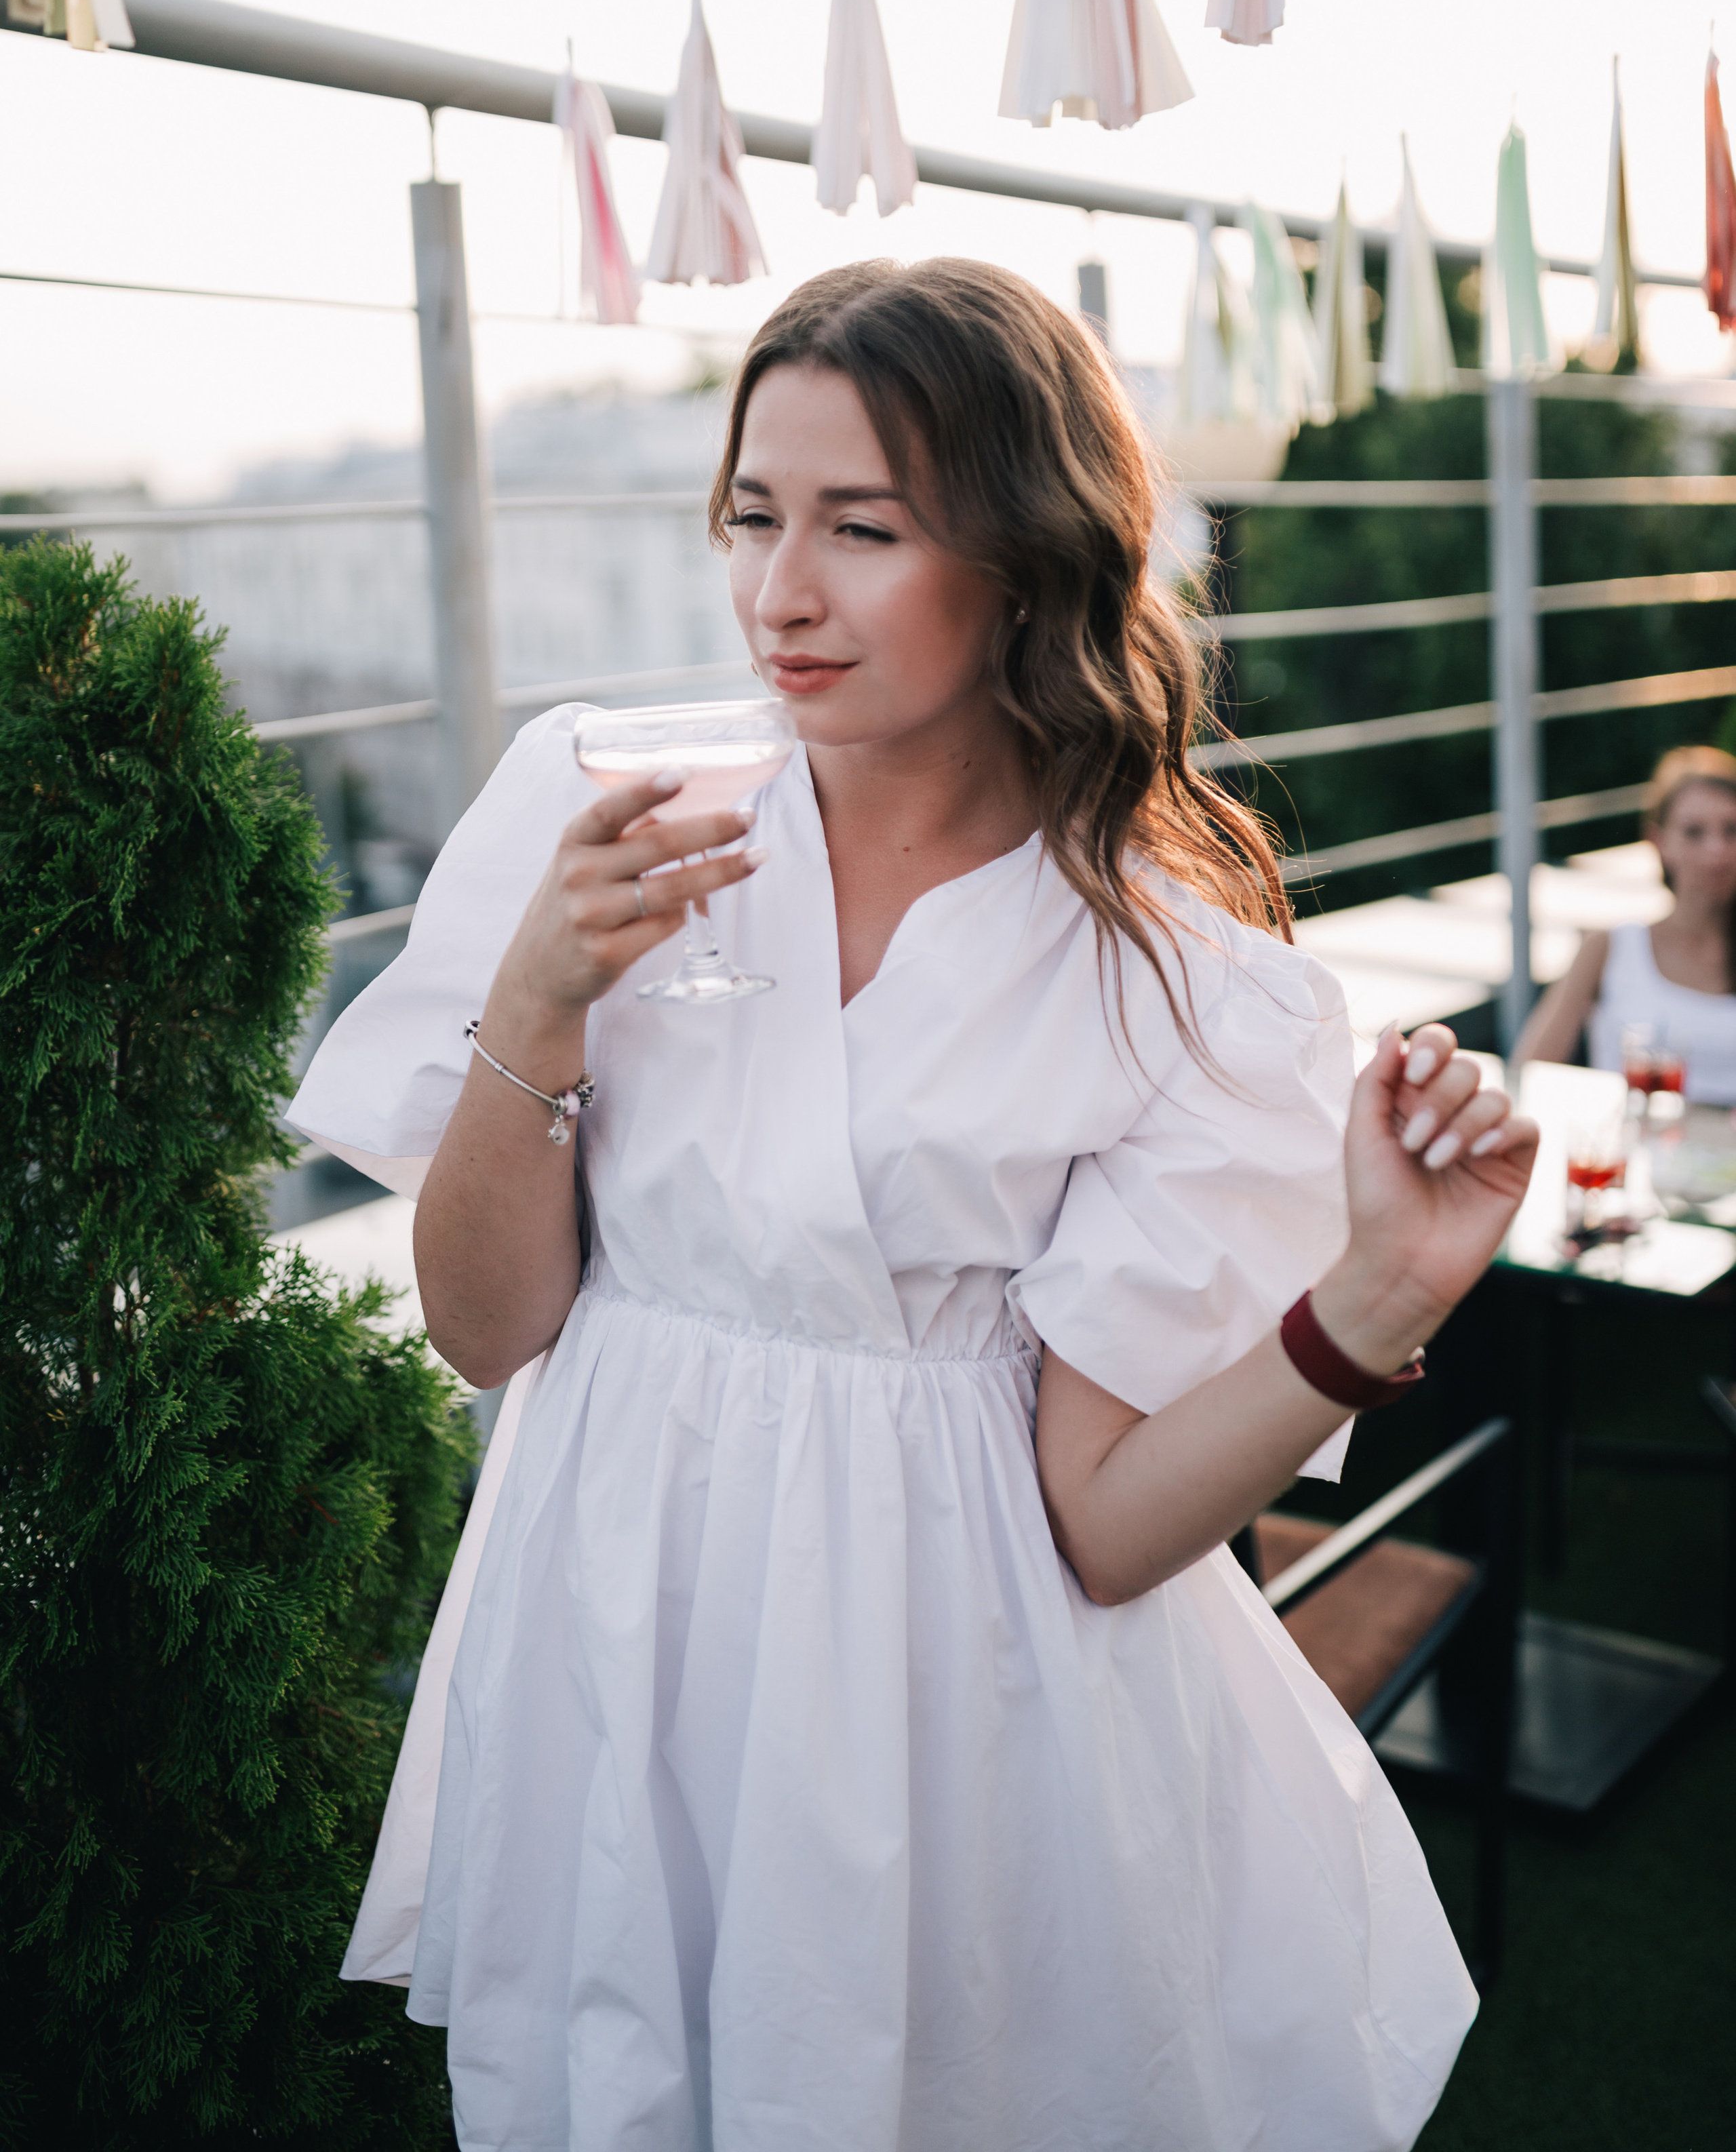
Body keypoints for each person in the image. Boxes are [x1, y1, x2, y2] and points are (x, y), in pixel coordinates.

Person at [291, 260, 1537, 2152]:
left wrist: (1370, 1304)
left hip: (962, 1705)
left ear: (1029, 558)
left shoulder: (1180, 983)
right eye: (752, 516)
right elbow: (486, 1328)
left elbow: (1108, 1532)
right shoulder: (600, 809)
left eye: (862, 529)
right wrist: (537, 997)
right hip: (624, 1622)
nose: (781, 593)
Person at [1512, 744, 1736, 1102]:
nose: (1717, 851)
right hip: (1636, 1148)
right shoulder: (1611, 949)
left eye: (1731, 831)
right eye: (1694, 832)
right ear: (1658, 841)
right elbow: (1528, 1076)